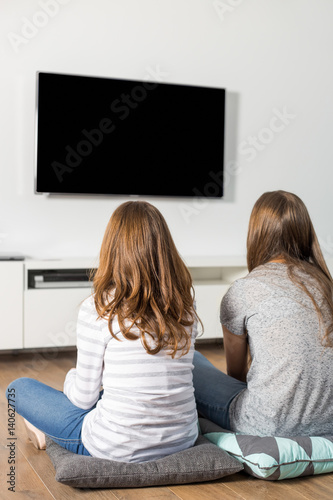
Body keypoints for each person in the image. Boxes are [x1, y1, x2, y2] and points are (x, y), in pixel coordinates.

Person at [6, 201, 200, 462]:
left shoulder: (98, 308)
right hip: (183, 439)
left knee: (19, 387)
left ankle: (46, 430)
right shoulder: (184, 302)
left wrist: (71, 376)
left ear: (112, 248)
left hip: (113, 447)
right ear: (165, 248)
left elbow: (83, 399)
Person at [193, 190, 333, 437]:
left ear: (257, 233)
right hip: (328, 424)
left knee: (193, 360)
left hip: (266, 426)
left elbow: (236, 375)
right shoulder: (325, 285)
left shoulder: (243, 290)